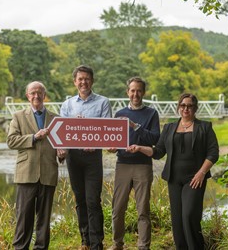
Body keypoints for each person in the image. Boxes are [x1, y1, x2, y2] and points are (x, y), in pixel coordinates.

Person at [128, 93, 219, 250]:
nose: (186, 109)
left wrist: (202, 173)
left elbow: (213, 153)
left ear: (195, 108)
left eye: (190, 106)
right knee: (177, 220)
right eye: (183, 105)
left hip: (195, 179)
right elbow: (159, 152)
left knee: (189, 215)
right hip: (174, 179)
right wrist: (139, 148)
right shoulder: (169, 128)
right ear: (178, 107)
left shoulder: (205, 127)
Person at [7, 81, 66, 250]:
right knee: (24, 217)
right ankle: (20, 248)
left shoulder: (56, 118)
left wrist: (62, 154)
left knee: (44, 219)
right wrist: (33, 137)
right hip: (26, 173)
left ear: (44, 95)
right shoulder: (18, 116)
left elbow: (61, 145)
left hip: (48, 174)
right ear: (27, 96)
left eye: (39, 92)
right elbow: (11, 141)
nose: (36, 95)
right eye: (32, 92)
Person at [60, 65, 112, 250]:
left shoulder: (103, 102)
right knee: (80, 199)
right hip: (73, 157)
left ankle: (97, 242)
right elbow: (63, 133)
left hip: (93, 158)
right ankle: (85, 241)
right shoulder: (67, 105)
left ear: (92, 80)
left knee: (93, 199)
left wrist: (96, 142)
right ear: (75, 82)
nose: (84, 82)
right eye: (80, 79)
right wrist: (61, 150)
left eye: (87, 78)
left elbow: (107, 130)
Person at [108, 77, 160, 250]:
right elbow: (114, 139)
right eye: (132, 90)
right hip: (122, 164)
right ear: (127, 92)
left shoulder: (152, 113)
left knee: (143, 209)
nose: (135, 94)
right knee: (117, 209)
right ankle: (117, 244)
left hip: (143, 166)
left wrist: (135, 126)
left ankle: (143, 246)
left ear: (143, 92)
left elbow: (154, 138)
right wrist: (113, 148)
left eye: (138, 90)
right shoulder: (119, 114)